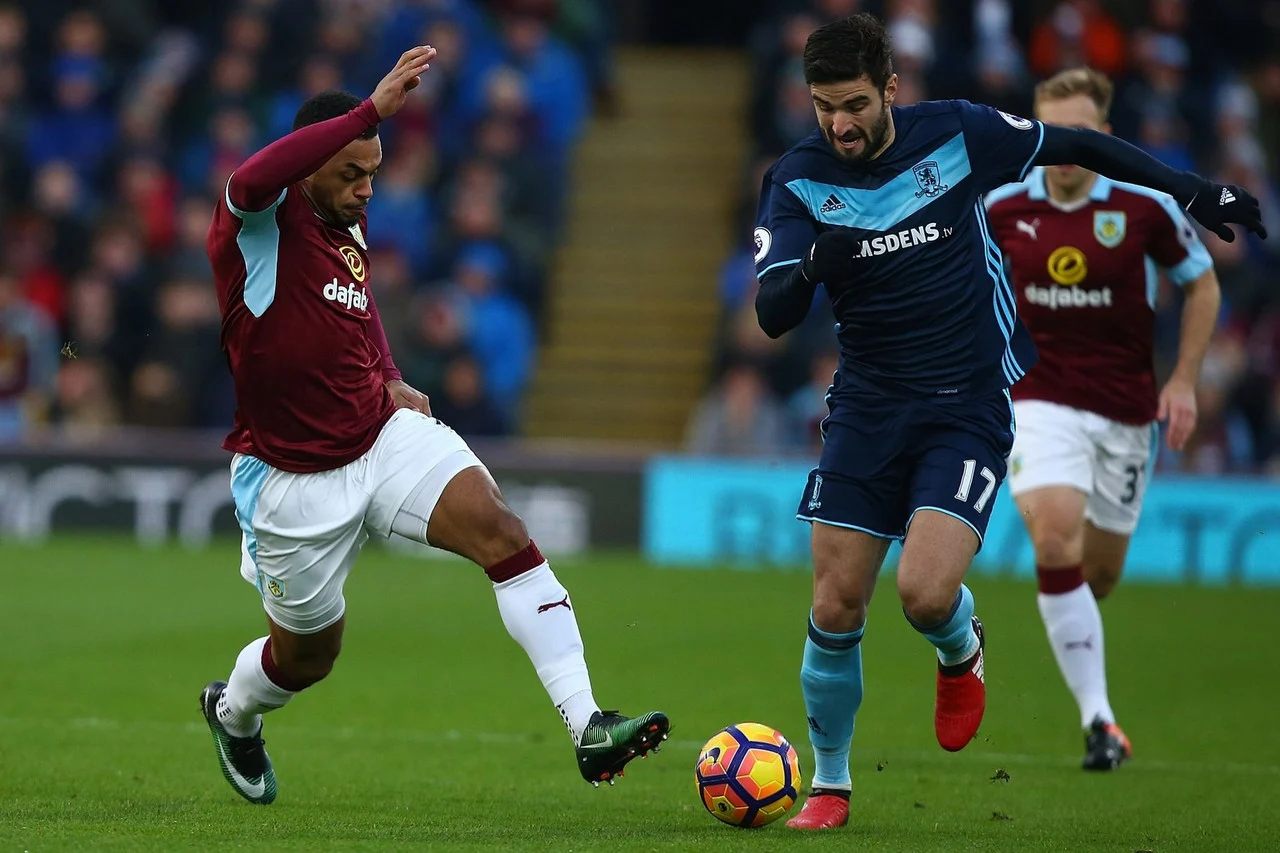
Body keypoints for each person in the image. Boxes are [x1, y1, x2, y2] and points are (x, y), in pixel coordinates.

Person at [752, 15, 1264, 831]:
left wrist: (1194, 190)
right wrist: (816, 263)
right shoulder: (799, 178)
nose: (838, 124)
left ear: (891, 88)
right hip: (868, 405)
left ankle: (960, 644)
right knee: (837, 602)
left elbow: (1080, 148)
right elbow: (772, 310)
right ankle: (831, 783)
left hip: (968, 400)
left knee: (923, 595)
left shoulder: (956, 131)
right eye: (822, 107)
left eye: (852, 104)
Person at [200, 46, 668, 805]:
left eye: (374, 171)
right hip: (288, 480)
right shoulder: (256, 222)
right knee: (308, 656)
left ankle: (588, 723)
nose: (366, 187)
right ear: (310, 165)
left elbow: (360, 306)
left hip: (378, 437)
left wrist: (386, 371)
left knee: (501, 530)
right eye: (351, 170)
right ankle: (234, 711)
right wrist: (367, 113)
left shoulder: (346, 228)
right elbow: (250, 175)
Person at [984, 67, 1221, 771]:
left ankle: (1090, 686)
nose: (1063, 150)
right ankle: (1100, 721)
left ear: (1105, 136)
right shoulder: (999, 206)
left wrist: (1182, 380)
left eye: (1079, 135)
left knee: (1098, 574)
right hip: (1035, 398)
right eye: (1053, 134)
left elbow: (1201, 284)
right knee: (1054, 542)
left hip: (1124, 412)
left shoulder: (1144, 206)